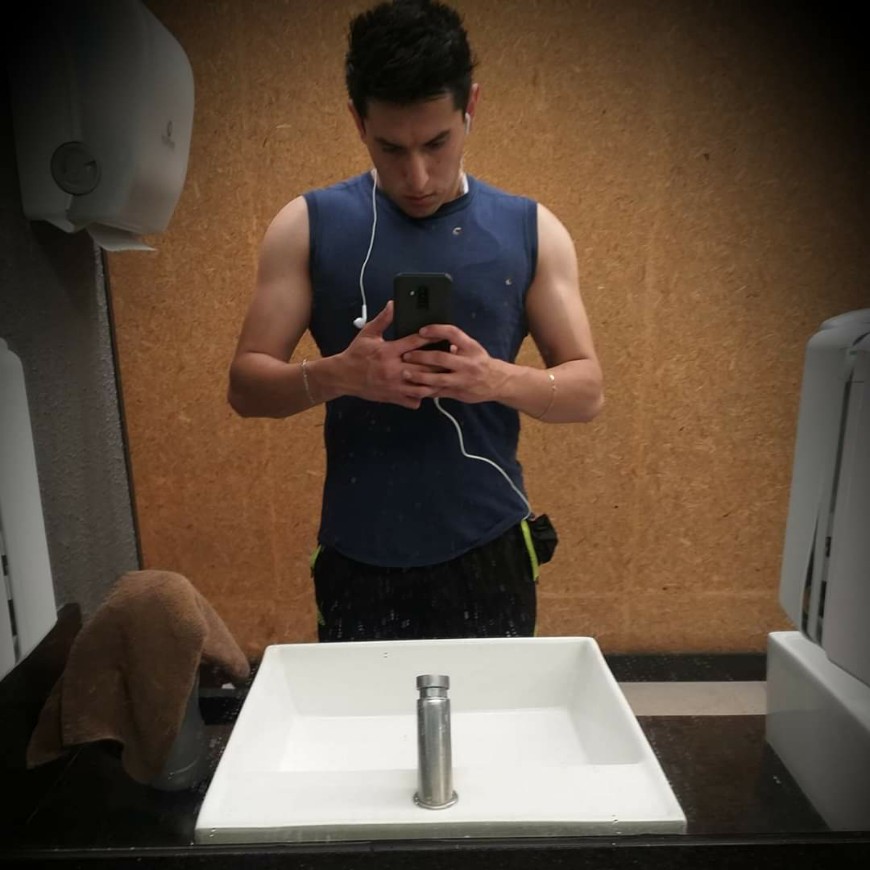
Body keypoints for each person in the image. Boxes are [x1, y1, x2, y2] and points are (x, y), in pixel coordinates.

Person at [227, 0, 604, 642]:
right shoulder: (306, 226)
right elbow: (245, 387)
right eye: (391, 148)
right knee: (363, 714)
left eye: (437, 143)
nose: (418, 176)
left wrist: (494, 380)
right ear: (358, 121)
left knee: (491, 712)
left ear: (470, 108)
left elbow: (587, 391)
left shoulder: (532, 229)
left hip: (488, 548)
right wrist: (340, 375)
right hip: (359, 553)